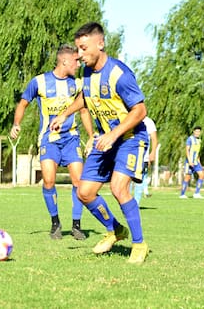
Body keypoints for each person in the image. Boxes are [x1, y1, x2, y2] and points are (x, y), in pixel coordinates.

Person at [50, 22, 149, 264]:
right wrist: (65, 113)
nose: (79, 55)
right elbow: (85, 97)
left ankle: (139, 244)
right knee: (84, 193)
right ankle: (116, 230)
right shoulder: (86, 73)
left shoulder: (120, 75)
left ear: (100, 44)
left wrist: (113, 135)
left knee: (118, 188)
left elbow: (140, 110)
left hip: (129, 138)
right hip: (105, 139)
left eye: (83, 49)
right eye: (77, 50)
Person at [10, 44, 94, 240]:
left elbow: (83, 111)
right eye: (75, 61)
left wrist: (90, 136)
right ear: (64, 61)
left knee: (78, 181)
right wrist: (16, 124)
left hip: (71, 138)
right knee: (48, 180)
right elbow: (23, 103)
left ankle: (76, 224)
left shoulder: (78, 84)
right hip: (49, 139)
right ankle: (55, 223)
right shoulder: (39, 82)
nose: (78, 63)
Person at [132, 116, 158, 204]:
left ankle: (136, 203)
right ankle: (126, 202)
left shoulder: (148, 121)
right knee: (126, 179)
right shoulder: (129, 117)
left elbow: (154, 138)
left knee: (139, 179)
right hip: (129, 154)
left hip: (143, 156)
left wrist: (153, 152)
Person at [180, 126, 204, 199]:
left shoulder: (199, 140)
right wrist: (190, 161)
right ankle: (182, 194)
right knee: (187, 178)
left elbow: (198, 153)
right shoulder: (190, 139)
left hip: (196, 162)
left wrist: (200, 163)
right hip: (189, 162)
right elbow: (187, 150)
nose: (198, 133)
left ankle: (197, 193)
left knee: (202, 175)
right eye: (196, 131)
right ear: (193, 131)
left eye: (199, 131)